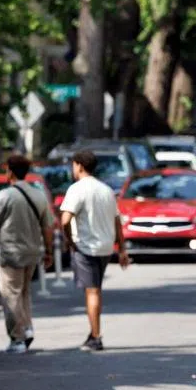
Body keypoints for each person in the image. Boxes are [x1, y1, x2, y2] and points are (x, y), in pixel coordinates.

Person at [0, 155, 54, 353]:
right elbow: (47, 227)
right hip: (32, 253)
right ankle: (27, 328)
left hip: (11, 253)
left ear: (10, 171)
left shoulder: (5, 196)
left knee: (10, 295)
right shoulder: (39, 195)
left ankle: (17, 338)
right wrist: (49, 252)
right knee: (24, 292)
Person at [60, 150, 128, 351]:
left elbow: (65, 219)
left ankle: (96, 337)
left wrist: (70, 240)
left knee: (92, 292)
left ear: (79, 165)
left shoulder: (77, 189)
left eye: (73, 165)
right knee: (95, 289)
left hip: (86, 247)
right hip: (106, 248)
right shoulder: (106, 190)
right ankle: (93, 331)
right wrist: (122, 249)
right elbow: (117, 222)